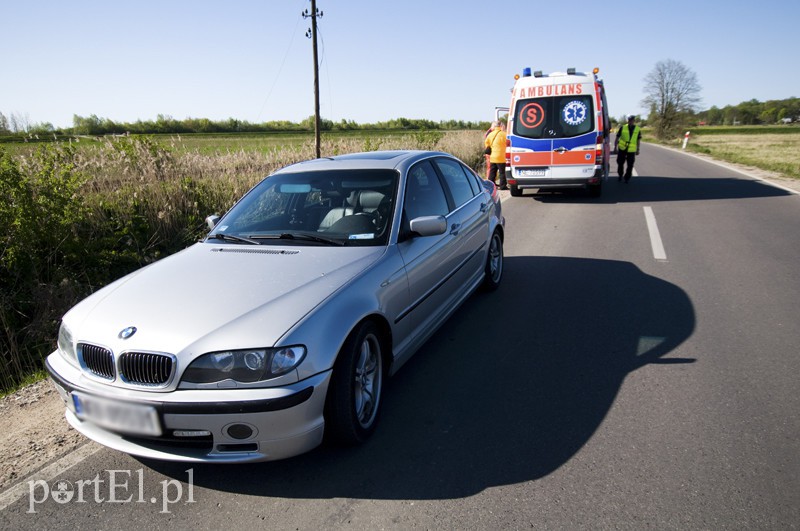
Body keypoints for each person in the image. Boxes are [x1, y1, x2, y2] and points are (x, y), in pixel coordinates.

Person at [614, 115, 641, 183]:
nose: (630, 121)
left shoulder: (637, 129)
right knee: (620, 163)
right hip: (622, 148)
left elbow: (638, 140)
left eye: (632, 120)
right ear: (627, 120)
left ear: (634, 121)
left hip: (631, 150)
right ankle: (620, 175)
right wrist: (615, 147)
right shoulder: (623, 127)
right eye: (629, 120)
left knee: (630, 164)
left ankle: (627, 177)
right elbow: (617, 137)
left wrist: (638, 149)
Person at [484, 121, 507, 189]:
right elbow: (508, 143)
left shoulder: (490, 134)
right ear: (500, 126)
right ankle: (503, 186)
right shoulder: (504, 134)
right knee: (502, 172)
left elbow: (487, 143)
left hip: (493, 157)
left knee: (492, 172)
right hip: (501, 156)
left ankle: (491, 186)